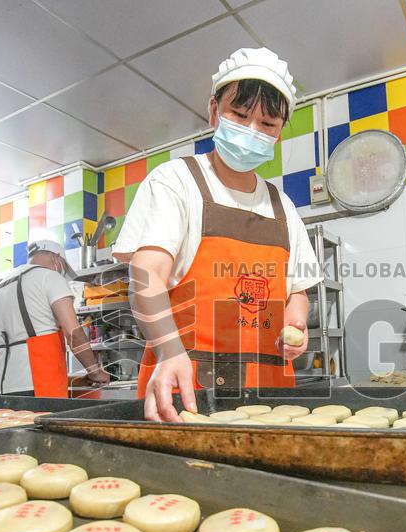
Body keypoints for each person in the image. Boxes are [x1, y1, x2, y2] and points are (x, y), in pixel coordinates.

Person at [113, 47, 323, 422]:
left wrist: (296, 319)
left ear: (279, 131)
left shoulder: (282, 205)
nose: (251, 132)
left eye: (267, 124)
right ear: (214, 111)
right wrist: (167, 349)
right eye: (240, 116)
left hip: (271, 398)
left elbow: (298, 291)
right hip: (186, 394)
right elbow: (147, 274)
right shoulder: (177, 181)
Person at [0, 239, 109, 396]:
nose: (61, 274)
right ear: (56, 258)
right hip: (40, 385)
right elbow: (74, 333)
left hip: (1, 387)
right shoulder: (50, 277)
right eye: (63, 269)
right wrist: (95, 372)